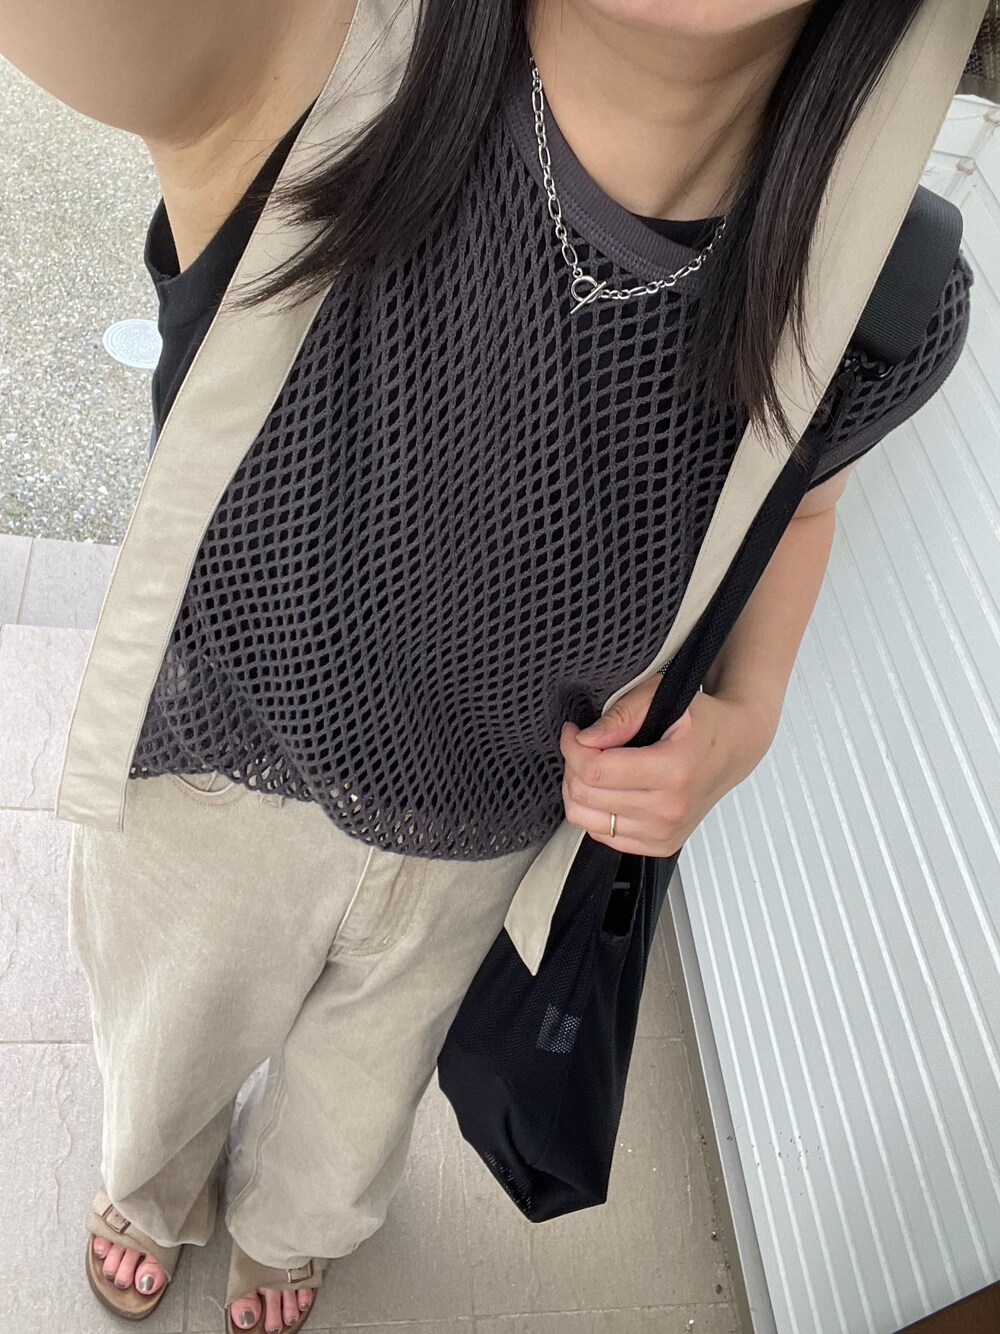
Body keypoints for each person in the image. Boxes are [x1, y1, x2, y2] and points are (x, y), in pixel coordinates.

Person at [0, 0, 975, 1329]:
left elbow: (800, 506)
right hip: (222, 773)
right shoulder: (305, 55)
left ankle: (293, 1229)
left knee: (359, 1100)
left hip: (483, 834)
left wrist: (745, 714)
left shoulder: (877, 283)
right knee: (166, 1051)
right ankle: (151, 1186)